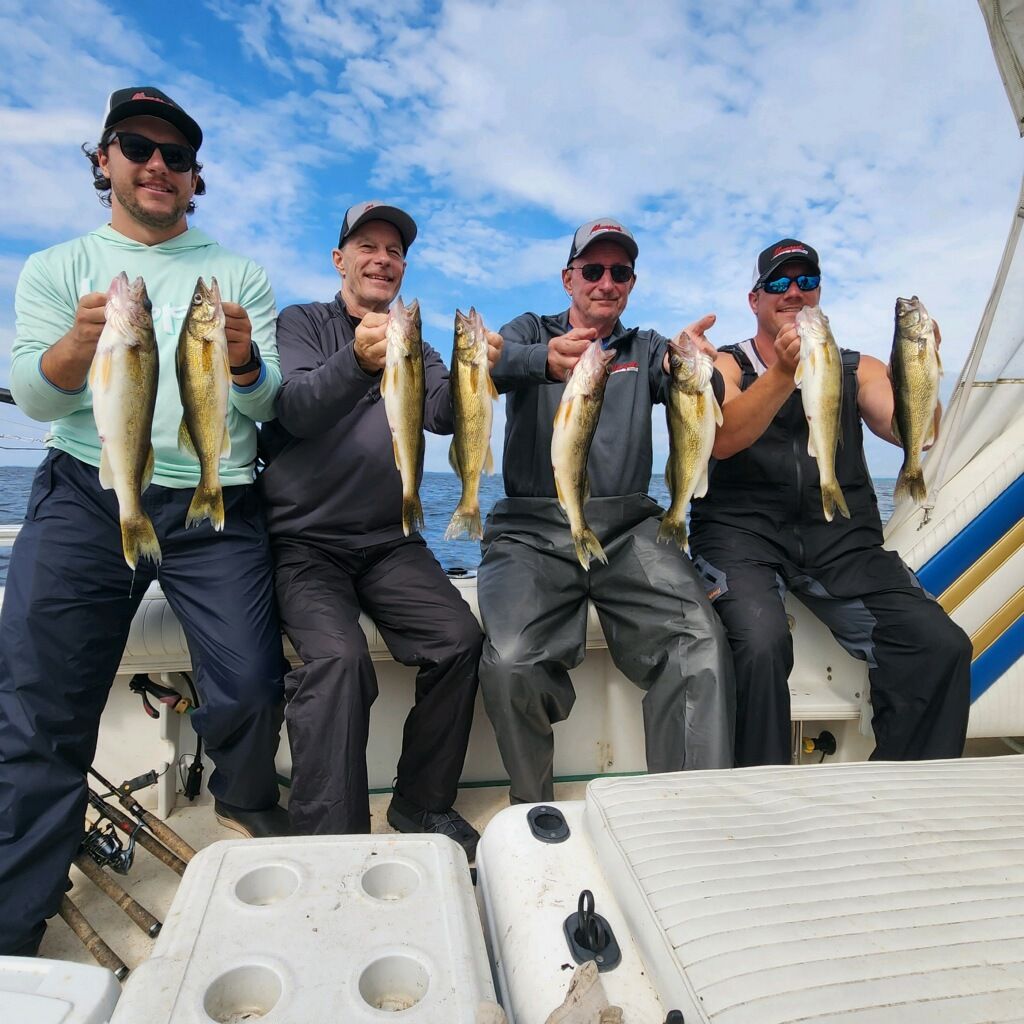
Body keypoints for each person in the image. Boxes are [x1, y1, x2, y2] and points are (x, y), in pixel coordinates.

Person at [0, 87, 290, 957]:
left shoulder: (237, 276)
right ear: (105, 160)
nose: (157, 165)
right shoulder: (54, 268)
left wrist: (242, 361)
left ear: (196, 178)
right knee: (39, 699)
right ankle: (15, 917)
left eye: (177, 156)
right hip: (90, 491)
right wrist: (75, 348)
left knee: (249, 683)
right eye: (136, 146)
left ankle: (241, 800)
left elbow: (270, 401)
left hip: (217, 498)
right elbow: (38, 392)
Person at [259, 201, 499, 858]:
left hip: (390, 540)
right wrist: (361, 362)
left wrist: (482, 368)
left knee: (458, 640)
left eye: (394, 251)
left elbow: (447, 415)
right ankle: (330, 842)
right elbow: (297, 407)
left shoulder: (417, 343)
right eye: (367, 246)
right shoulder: (302, 323)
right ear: (340, 260)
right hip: (305, 545)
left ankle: (421, 805)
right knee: (339, 660)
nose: (382, 259)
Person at [478, 218, 735, 805]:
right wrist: (541, 359)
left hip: (629, 531)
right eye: (592, 270)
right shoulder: (529, 331)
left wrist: (692, 369)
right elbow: (488, 366)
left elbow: (687, 395)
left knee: (699, 641)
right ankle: (534, 806)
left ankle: (691, 811)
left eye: (619, 273)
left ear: (632, 283)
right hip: (530, 531)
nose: (605, 282)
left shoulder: (644, 348)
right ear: (568, 278)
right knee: (511, 662)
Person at [689, 238, 972, 767]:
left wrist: (923, 368)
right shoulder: (727, 364)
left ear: (819, 294)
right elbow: (721, 438)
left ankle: (901, 790)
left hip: (840, 539)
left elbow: (916, 431)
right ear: (755, 300)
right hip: (740, 537)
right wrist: (780, 376)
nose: (793, 292)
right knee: (758, 640)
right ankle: (759, 792)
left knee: (940, 645)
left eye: (806, 282)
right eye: (778, 283)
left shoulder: (856, 367)